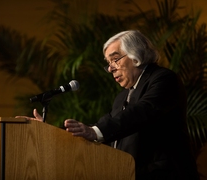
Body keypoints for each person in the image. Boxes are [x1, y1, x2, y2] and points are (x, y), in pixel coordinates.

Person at [17, 30, 199, 180]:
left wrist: (95, 131)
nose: (111, 68)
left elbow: (142, 112)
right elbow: (101, 129)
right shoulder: (122, 97)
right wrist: (51, 132)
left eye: (115, 59)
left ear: (136, 55)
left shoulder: (163, 79)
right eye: (109, 63)